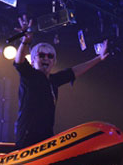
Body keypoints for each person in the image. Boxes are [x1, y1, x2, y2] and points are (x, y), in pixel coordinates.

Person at [12, 15, 108, 148]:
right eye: (41, 55)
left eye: (50, 56)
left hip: (46, 137)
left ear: (54, 62)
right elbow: (19, 62)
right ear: (33, 60)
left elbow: (74, 71)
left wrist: (99, 58)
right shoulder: (30, 76)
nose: (46, 58)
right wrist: (25, 42)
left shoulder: (53, 80)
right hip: (27, 137)